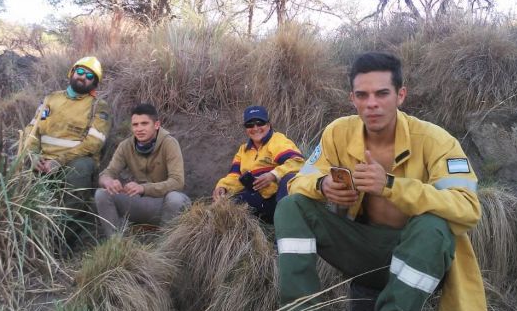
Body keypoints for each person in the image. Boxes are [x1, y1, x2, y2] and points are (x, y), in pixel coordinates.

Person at [262, 52, 486, 311]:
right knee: (292, 206)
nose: (372, 104)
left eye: (382, 93)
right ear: (351, 98)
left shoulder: (436, 141)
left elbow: (468, 208)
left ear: (400, 95)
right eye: (362, 95)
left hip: (418, 254)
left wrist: (391, 185)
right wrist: (323, 185)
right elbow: (300, 180)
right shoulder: (337, 133)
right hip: (362, 249)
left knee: (433, 227)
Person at [94, 103, 190, 238]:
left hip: (164, 205)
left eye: (144, 123)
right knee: (102, 194)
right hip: (140, 203)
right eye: (135, 125)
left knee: (175, 199)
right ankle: (116, 245)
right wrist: (108, 181)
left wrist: (143, 188)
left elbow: (177, 182)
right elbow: (106, 173)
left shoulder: (170, 143)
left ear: (156, 125)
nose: (139, 129)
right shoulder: (126, 145)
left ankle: (165, 248)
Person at [22, 56, 111, 199]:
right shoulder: (50, 99)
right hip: (43, 161)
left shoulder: (98, 106)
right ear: (72, 72)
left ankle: (72, 220)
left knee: (82, 166)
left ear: (94, 83)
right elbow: (32, 130)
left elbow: (94, 144)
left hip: (73, 163)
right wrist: (33, 156)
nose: (83, 77)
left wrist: (59, 161)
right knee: (17, 163)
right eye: (80, 72)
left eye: (89, 76)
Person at [212, 106, 305, 223]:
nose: (255, 128)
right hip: (257, 200)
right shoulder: (243, 150)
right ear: (245, 128)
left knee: (289, 179)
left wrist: (273, 175)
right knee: (224, 204)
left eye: (260, 123)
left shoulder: (277, 140)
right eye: (250, 124)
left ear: (269, 124)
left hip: (278, 199)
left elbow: (298, 162)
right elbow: (234, 176)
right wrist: (222, 187)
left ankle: (286, 229)